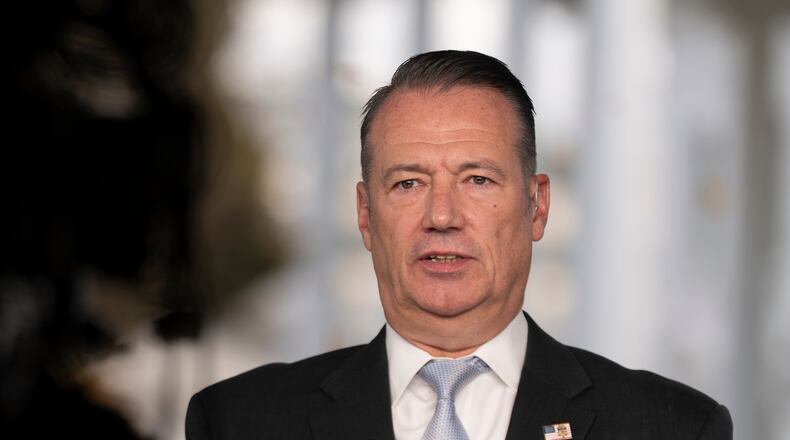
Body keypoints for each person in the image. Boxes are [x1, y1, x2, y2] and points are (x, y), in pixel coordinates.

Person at [185, 50, 732, 439]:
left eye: (478, 180)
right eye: (408, 183)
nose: (441, 216)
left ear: (537, 206)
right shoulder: (237, 421)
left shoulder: (673, 426)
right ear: (365, 215)